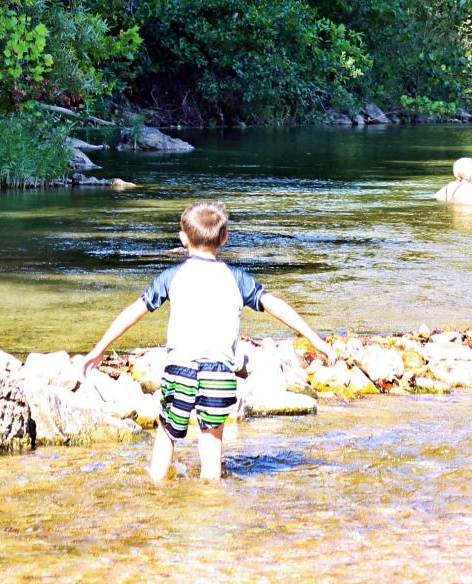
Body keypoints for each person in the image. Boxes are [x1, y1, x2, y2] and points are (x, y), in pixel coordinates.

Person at [83, 199, 335, 483]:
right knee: (212, 442)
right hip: (219, 373)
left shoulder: (172, 276)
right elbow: (276, 306)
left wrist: (99, 349)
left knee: (167, 432)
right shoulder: (236, 278)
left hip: (180, 370)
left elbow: (134, 312)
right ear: (224, 239)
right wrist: (317, 340)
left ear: (182, 238)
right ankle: (210, 504)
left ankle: (154, 487)